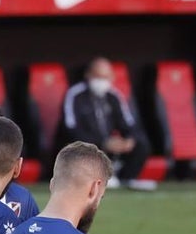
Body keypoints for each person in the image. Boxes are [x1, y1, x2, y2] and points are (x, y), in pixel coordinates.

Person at [61, 57, 156, 191]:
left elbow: (129, 125)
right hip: (87, 146)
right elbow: (70, 129)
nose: (102, 81)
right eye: (98, 76)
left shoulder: (114, 96)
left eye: (105, 77)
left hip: (110, 147)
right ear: (88, 75)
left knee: (141, 143)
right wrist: (103, 142)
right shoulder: (75, 95)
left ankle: (125, 179)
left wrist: (128, 140)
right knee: (79, 147)